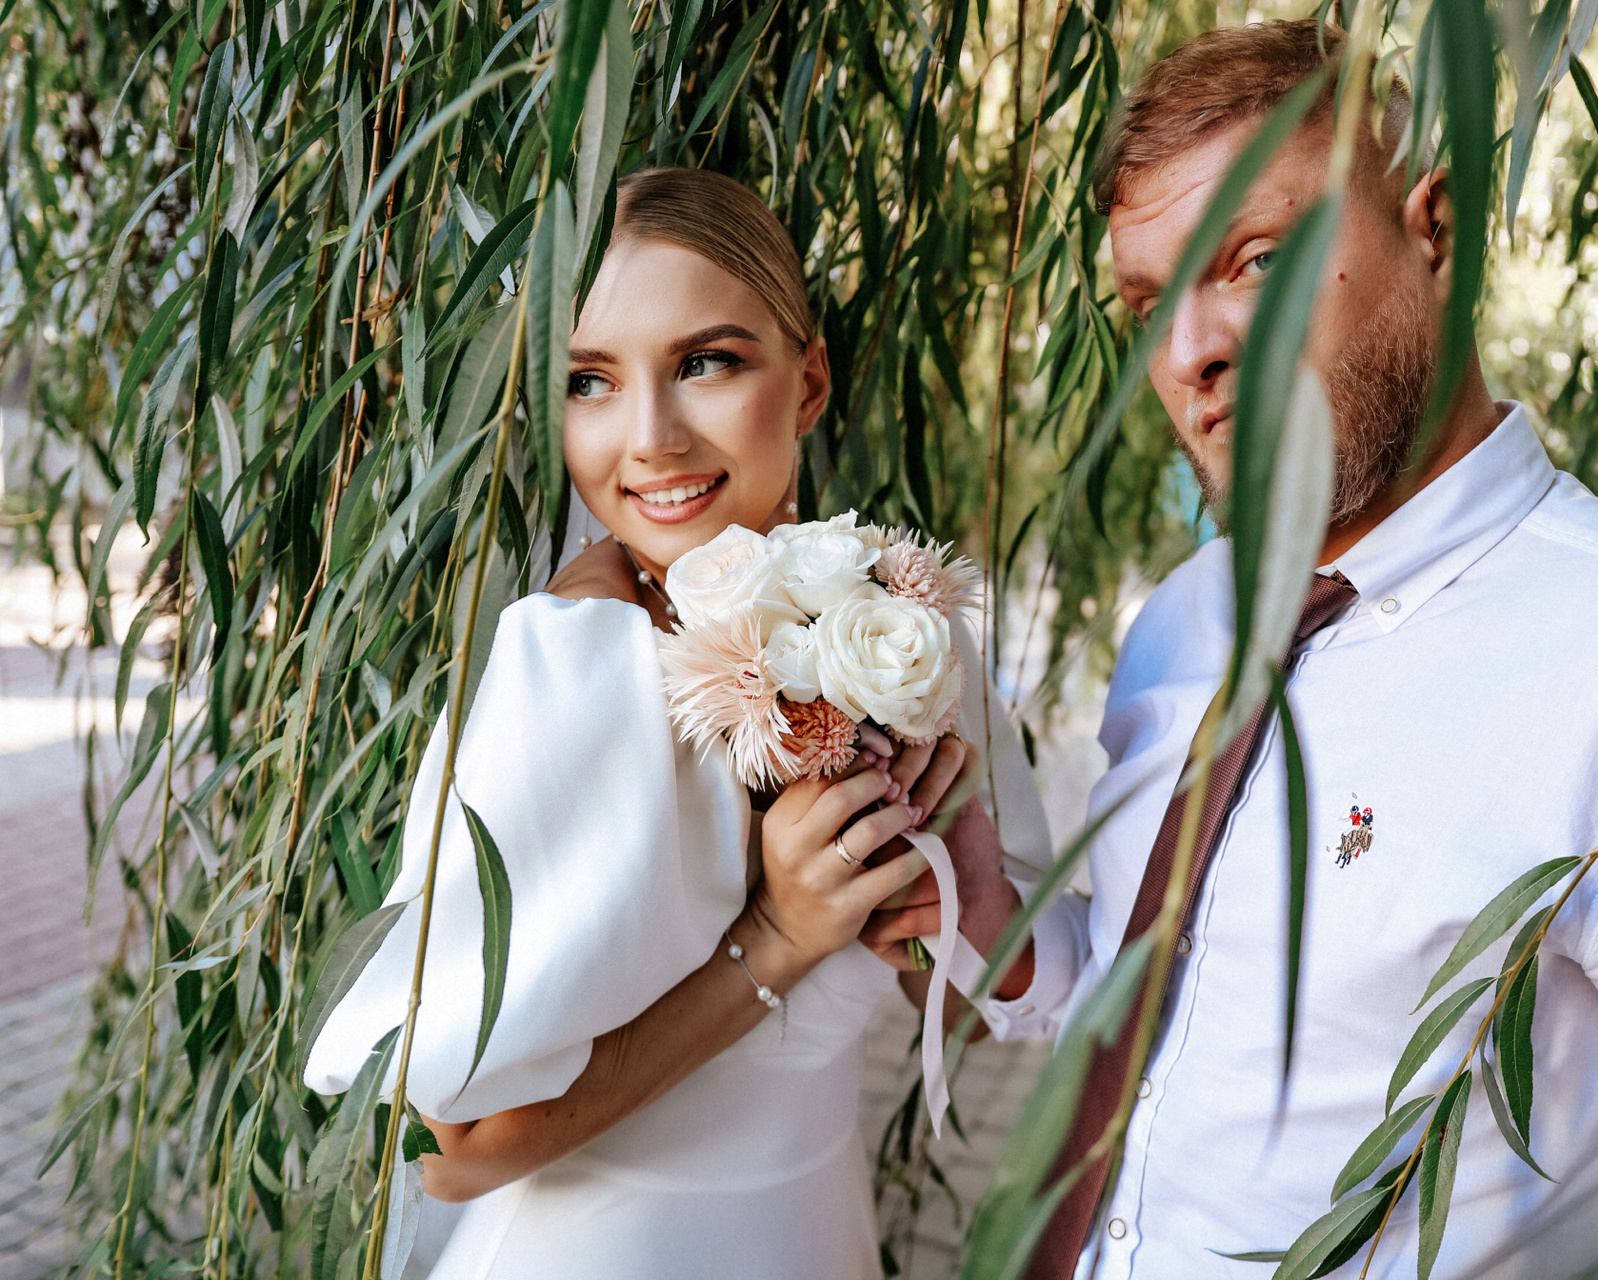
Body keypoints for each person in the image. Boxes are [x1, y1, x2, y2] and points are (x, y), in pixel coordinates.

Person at [933, 21, 1598, 1280]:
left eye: (1255, 259)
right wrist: (999, 923)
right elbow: (1167, 1016)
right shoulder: (1180, 624)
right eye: (1148, 304)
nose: (1189, 353)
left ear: (1438, 231)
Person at [303, 167, 1049, 1279]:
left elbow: (980, 1009)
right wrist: (779, 935)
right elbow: (449, 1153)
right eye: (589, 381)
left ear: (808, 381)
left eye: (705, 363)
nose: (650, 437)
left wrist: (944, 897)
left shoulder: (903, 635)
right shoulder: (572, 665)